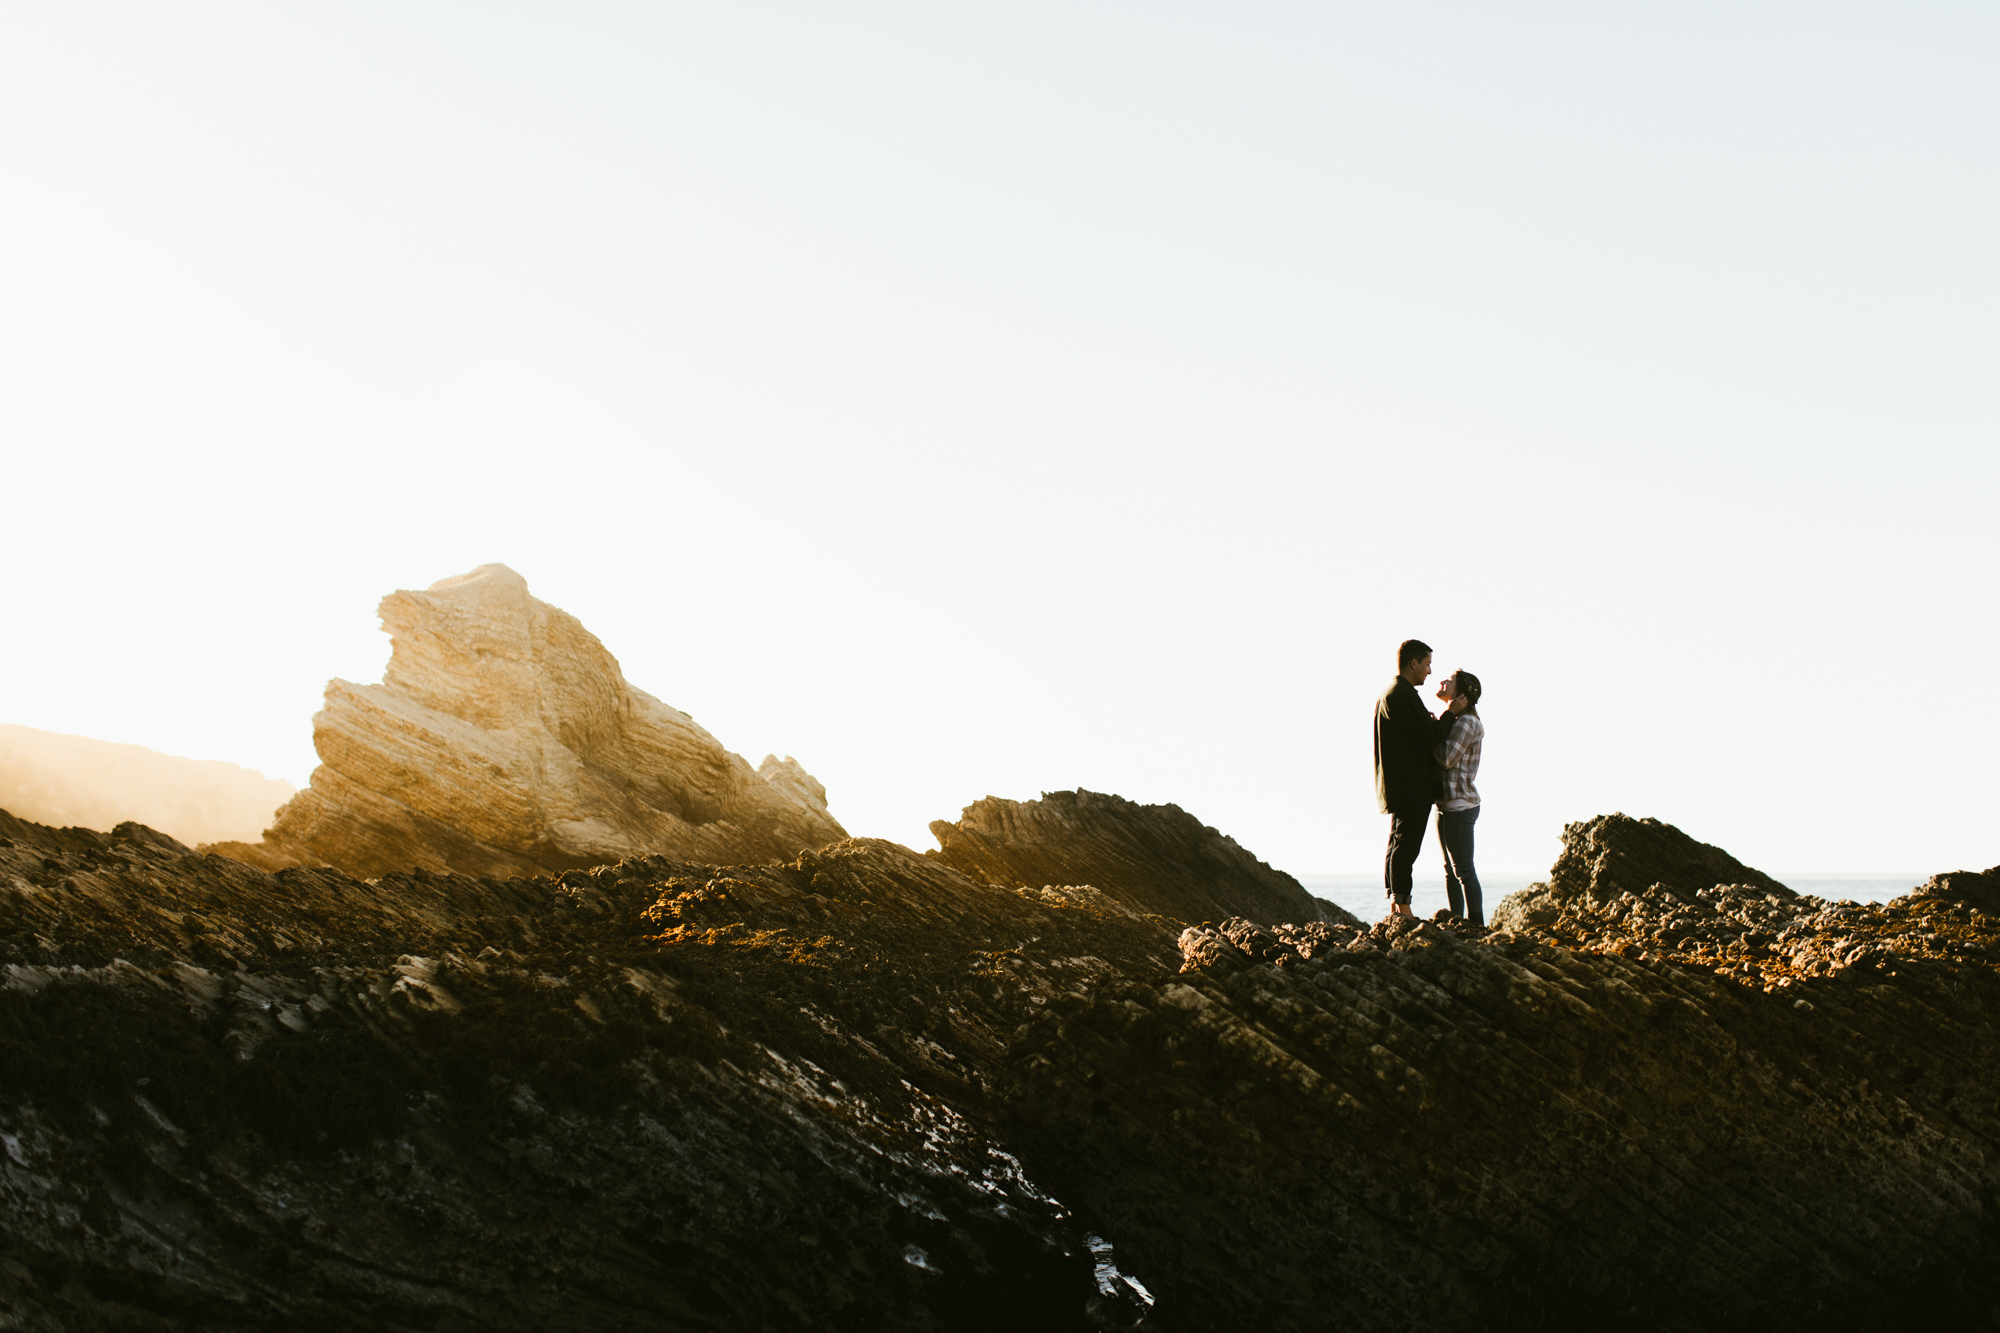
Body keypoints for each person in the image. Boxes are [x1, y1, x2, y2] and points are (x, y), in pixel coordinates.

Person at [1374, 639, 1446, 918]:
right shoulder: (1403, 695)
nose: (1429, 671)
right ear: (1413, 663)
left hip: (1399, 783)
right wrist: (1449, 714)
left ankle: (1395, 902)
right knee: (1406, 846)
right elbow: (1431, 737)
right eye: (1427, 664)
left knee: (1397, 843)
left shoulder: (1390, 694)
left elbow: (1415, 732)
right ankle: (1402, 907)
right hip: (1413, 783)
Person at [1433, 669, 1485, 926]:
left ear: (1462, 695)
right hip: (1447, 805)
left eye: (1449, 681)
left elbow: (1445, 758)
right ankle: (1457, 922)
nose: (1442, 681)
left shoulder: (1466, 722)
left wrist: (1432, 732)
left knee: (1463, 870)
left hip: (1459, 806)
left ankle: (1476, 925)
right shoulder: (1457, 720)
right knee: (1451, 871)